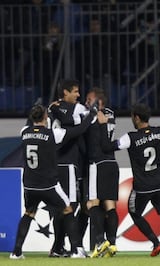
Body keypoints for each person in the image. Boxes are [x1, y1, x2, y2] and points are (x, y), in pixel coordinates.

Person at [97, 103, 160, 257]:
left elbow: (106, 147)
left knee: (134, 213)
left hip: (142, 187)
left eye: (132, 116)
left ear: (136, 118)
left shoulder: (130, 137)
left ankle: (156, 243)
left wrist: (104, 125)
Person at [10, 104, 95, 259]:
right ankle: (76, 249)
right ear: (46, 118)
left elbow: (30, 127)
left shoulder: (24, 132)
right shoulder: (53, 134)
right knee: (68, 209)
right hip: (48, 184)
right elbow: (79, 130)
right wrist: (91, 115)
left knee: (29, 213)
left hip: (29, 184)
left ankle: (16, 252)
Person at [48, 79, 90, 257]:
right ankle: (73, 248)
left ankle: (57, 248)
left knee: (61, 207)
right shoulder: (76, 108)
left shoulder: (51, 108)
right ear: (65, 92)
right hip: (68, 163)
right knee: (69, 205)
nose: (78, 95)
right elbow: (86, 121)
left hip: (52, 162)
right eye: (75, 91)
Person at [84, 88, 119, 258]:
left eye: (89, 100)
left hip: (97, 163)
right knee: (110, 205)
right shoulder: (111, 114)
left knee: (93, 203)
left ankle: (99, 241)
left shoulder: (92, 116)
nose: (85, 102)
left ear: (99, 102)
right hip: (111, 162)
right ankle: (112, 244)